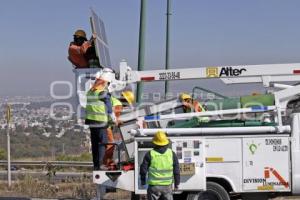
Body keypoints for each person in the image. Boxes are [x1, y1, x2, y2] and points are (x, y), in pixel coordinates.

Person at [85, 69, 115, 170]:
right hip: (101, 123)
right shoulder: (102, 93)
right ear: (104, 82)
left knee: (95, 145)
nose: (107, 85)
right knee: (102, 144)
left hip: (91, 123)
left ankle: (96, 165)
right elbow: (109, 107)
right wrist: (113, 117)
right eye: (107, 83)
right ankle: (101, 165)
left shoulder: (90, 92)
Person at [140, 130, 180, 200]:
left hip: (154, 186)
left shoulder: (150, 154)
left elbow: (143, 170)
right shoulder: (171, 154)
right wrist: (177, 183)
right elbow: (176, 170)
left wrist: (143, 182)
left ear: (154, 142)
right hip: (167, 186)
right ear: (166, 142)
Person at [103, 90, 135, 167]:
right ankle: (106, 164)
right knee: (111, 145)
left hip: (102, 124)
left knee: (107, 145)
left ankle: (105, 163)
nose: (126, 106)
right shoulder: (118, 105)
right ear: (125, 100)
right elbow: (113, 119)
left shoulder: (114, 100)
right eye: (127, 103)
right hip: (105, 126)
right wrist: (118, 122)